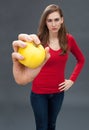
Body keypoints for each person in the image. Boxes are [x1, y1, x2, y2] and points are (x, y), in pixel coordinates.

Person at [12, 4, 85, 130]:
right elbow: (25, 61)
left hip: (58, 93)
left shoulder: (69, 40)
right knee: (41, 127)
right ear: (45, 22)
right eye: (49, 20)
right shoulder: (37, 41)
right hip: (39, 94)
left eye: (56, 19)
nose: (53, 24)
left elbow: (81, 60)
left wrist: (72, 80)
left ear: (62, 20)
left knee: (52, 125)